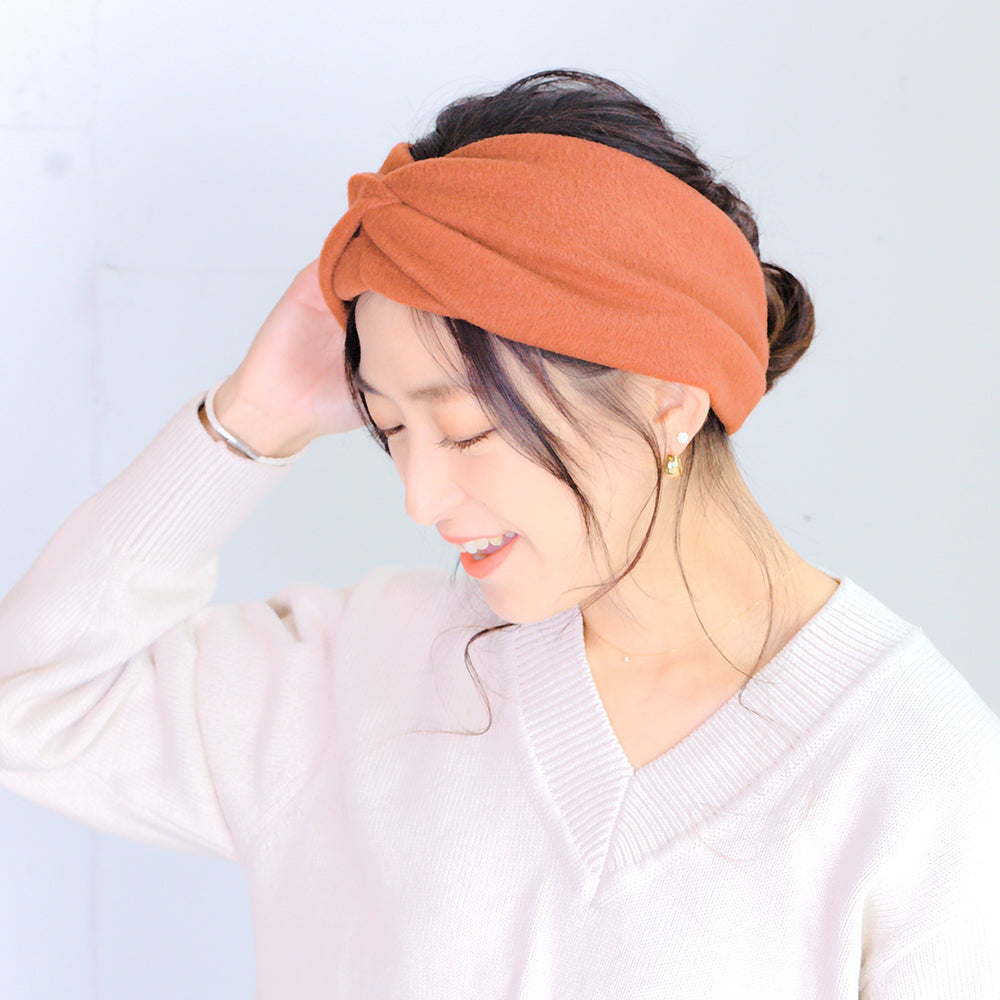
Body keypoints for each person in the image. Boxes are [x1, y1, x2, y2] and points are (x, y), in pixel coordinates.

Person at [1, 69, 998, 999]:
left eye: (467, 429)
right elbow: (35, 702)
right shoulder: (357, 675)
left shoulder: (912, 769)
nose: (419, 497)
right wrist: (254, 418)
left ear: (669, 401)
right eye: (390, 428)